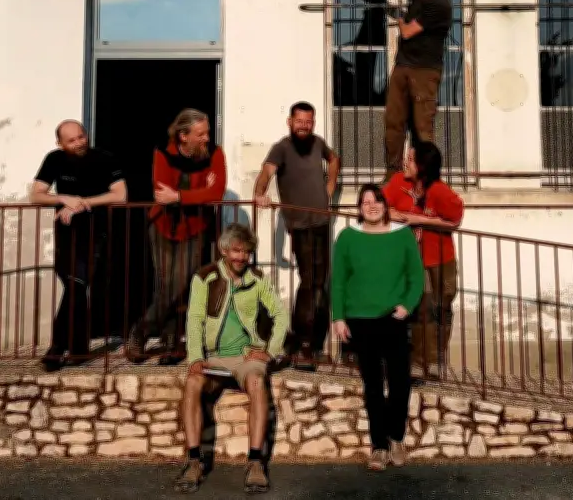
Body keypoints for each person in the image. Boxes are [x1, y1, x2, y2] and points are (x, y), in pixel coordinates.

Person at [175, 223, 289, 494]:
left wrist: (270, 351)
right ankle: (193, 460)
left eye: (246, 252)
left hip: (246, 355)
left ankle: (255, 462)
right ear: (224, 249)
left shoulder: (258, 278)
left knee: (258, 382)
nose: (241, 257)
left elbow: (281, 315)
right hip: (213, 356)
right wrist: (194, 357)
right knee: (192, 383)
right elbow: (194, 320)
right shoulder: (204, 277)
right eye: (236, 251)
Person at [335, 0, 453, 182]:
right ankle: (393, 175)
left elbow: (408, 32)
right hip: (402, 66)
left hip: (425, 71)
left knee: (422, 127)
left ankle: (427, 177)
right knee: (393, 121)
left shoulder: (441, 6)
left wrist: (399, 18)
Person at [331, 184, 424, 471]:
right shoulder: (347, 237)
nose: (371, 206)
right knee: (372, 386)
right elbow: (338, 280)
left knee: (399, 383)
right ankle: (379, 447)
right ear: (359, 208)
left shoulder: (403, 235)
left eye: (376, 201)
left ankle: (396, 437)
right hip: (360, 320)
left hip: (392, 319)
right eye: (365, 202)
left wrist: (407, 305)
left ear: (384, 205)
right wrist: (338, 317)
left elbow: (416, 276)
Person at [128, 109, 226, 365]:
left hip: (195, 227)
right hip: (162, 224)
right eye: (201, 134)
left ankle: (141, 331)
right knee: (166, 283)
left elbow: (216, 192)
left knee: (180, 282)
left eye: (207, 133)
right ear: (184, 136)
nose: (207, 138)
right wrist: (199, 191)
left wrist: (181, 196)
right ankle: (171, 341)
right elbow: (162, 192)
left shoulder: (215, 153)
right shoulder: (163, 152)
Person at [29, 120, 127, 372]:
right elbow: (36, 194)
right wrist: (64, 198)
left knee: (76, 285)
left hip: (96, 233)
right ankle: (80, 349)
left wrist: (83, 203)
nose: (79, 142)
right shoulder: (54, 159)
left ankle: (56, 349)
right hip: (66, 234)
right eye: (71, 140)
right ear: (60, 143)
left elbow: (120, 194)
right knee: (75, 287)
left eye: (81, 137)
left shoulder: (105, 158)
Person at [253, 101, 340, 370]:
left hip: (321, 223)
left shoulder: (318, 143)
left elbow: (334, 158)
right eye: (300, 121)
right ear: (290, 122)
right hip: (300, 225)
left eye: (309, 122)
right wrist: (259, 194)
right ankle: (302, 345)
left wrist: (330, 185)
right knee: (309, 281)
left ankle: (313, 346)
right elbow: (266, 172)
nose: (304, 126)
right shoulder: (282, 147)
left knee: (321, 281)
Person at [383, 141, 463, 379]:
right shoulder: (399, 182)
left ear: (422, 166)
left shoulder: (438, 190)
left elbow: (455, 219)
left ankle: (437, 359)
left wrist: (416, 219)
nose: (405, 162)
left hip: (441, 257)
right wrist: (391, 213)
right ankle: (419, 361)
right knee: (421, 307)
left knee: (442, 307)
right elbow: (375, 205)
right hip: (413, 258)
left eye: (410, 158)